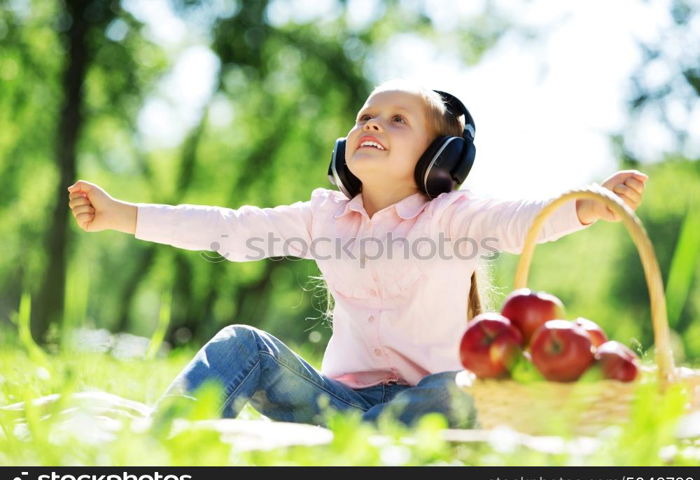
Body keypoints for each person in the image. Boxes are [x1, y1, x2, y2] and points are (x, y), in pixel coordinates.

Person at [66, 79, 649, 429]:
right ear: (346, 145)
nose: (373, 124)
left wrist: (588, 206)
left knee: (462, 387)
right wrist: (123, 215)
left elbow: (523, 221)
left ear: (440, 157)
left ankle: (358, 452)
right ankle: (154, 449)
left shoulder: (453, 217)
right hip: (338, 404)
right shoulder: (324, 217)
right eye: (367, 117)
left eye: (399, 120)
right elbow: (231, 228)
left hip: (431, 402)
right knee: (242, 343)